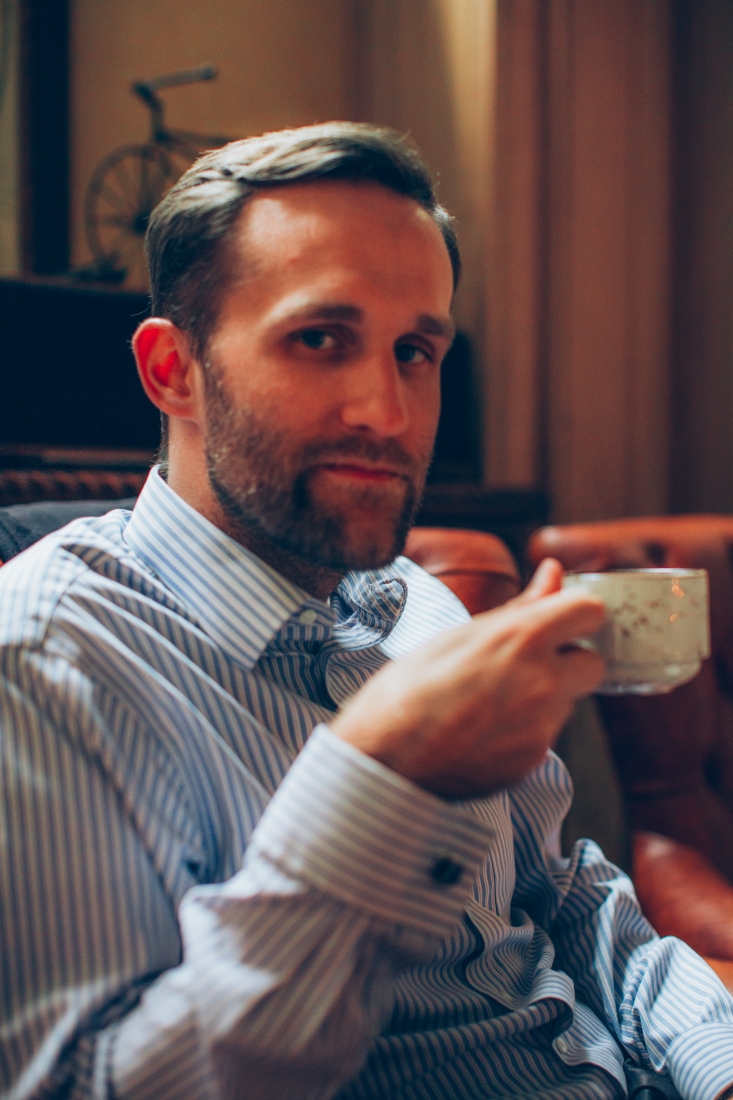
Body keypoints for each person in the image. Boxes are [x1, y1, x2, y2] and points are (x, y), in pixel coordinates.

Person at [0, 123, 731, 1100]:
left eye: (415, 350)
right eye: (319, 338)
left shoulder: (416, 601)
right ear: (173, 370)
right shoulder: (46, 659)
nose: (387, 413)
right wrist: (380, 780)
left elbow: (566, 895)